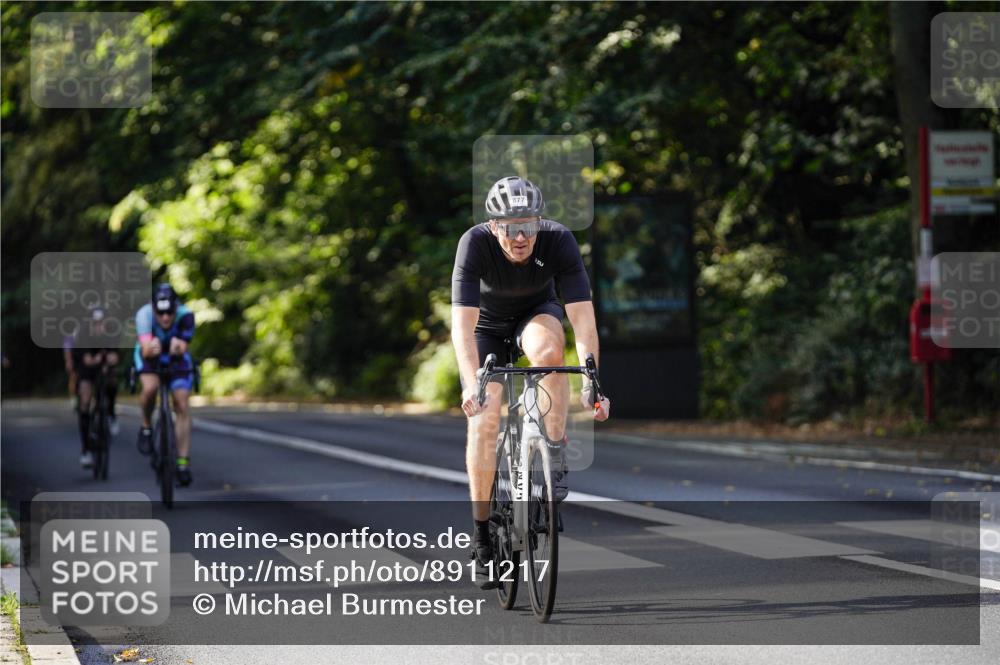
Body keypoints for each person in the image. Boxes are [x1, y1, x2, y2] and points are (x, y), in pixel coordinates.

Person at [450, 175, 611, 588]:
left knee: (549, 356)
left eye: (529, 225)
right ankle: (483, 536)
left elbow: (581, 315)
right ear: (493, 226)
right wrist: (471, 384)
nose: (521, 236)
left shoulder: (559, 240)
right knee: (484, 422)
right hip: (485, 328)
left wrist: (592, 377)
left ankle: (552, 457)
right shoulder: (474, 243)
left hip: (535, 315)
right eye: (510, 226)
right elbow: (462, 326)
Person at [134, 283, 196, 486]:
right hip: (150, 359)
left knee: (182, 403)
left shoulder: (186, 315)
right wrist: (149, 349)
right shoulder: (143, 315)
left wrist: (178, 348)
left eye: (170, 312)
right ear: (153, 309)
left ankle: (182, 463)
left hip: (176, 360)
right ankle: (146, 427)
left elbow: (184, 345)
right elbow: (143, 350)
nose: (166, 318)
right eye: (161, 313)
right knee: (150, 388)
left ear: (176, 307)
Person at [72, 306, 120, 468]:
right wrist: (98, 359)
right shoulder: (83, 334)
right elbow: (87, 361)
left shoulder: (112, 332)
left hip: (103, 366)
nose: (99, 327)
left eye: (102, 323)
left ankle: (111, 414)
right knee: (85, 400)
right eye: (96, 323)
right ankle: (85, 448)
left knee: (112, 380)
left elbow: (115, 355)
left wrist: (110, 360)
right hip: (86, 367)